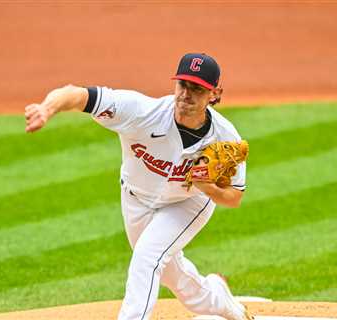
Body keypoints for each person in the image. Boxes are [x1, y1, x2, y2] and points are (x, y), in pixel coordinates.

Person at [24, 53, 251, 320]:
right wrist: (47, 109)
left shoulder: (225, 136)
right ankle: (220, 299)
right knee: (172, 276)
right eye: (183, 85)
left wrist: (208, 187)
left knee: (147, 257)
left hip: (187, 204)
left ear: (214, 93)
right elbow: (78, 95)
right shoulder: (141, 112)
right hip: (135, 199)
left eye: (197, 89)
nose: (186, 95)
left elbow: (234, 197)